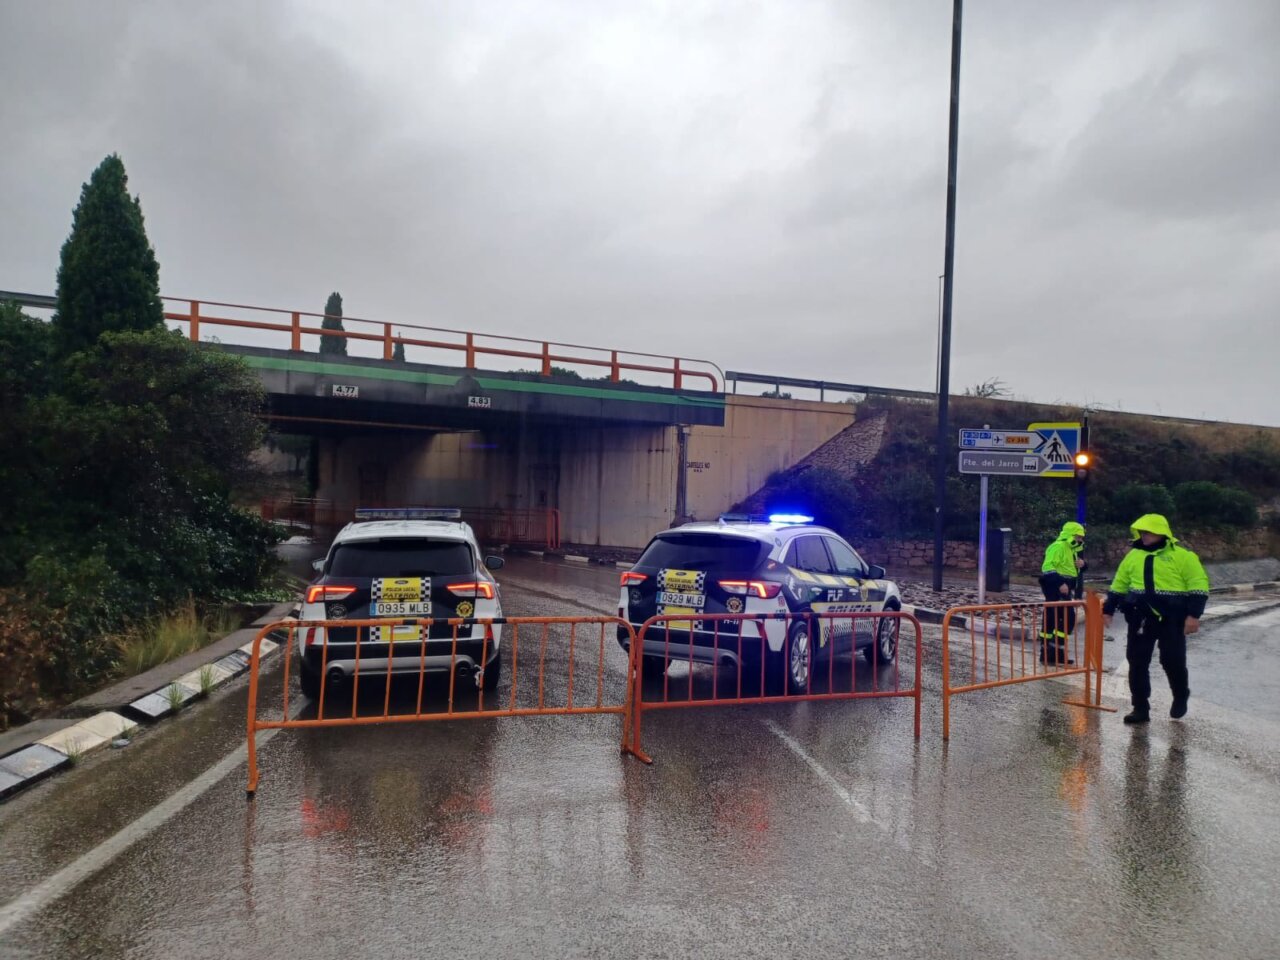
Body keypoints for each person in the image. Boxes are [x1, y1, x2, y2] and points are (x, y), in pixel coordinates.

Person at [1102, 514, 1209, 724]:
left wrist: (1194, 616)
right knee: (1137, 662)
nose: (1145, 535)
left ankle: (1180, 695)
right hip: (1140, 618)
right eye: (1142, 531)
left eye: (1149, 531)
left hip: (1172, 618)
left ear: (1162, 532)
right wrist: (1109, 609)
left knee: (1172, 661)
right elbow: (1119, 584)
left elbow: (1199, 585)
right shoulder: (1133, 556)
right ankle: (1140, 708)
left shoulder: (1183, 556)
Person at [1039, 521, 1086, 665]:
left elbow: (1071, 569)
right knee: (1057, 619)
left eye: (1081, 538)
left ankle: (1055, 655)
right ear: (1070, 535)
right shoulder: (1058, 547)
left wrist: (1083, 565)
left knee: (1063, 619)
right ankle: (1048, 655)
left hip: (1064, 587)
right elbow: (1047, 568)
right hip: (1055, 586)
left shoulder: (1072, 549)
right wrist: (1060, 583)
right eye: (1078, 537)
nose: (1080, 540)